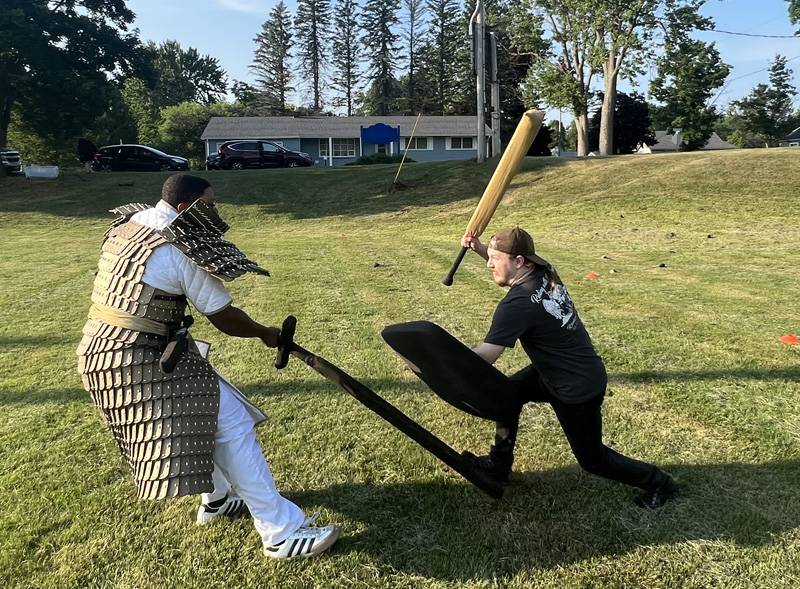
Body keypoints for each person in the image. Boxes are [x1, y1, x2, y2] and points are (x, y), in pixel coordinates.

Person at [76, 174, 340, 559]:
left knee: (198, 416)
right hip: (137, 355)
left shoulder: (130, 222)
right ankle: (281, 533)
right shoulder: (177, 246)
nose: (214, 210)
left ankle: (216, 499)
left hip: (103, 350)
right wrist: (265, 333)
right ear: (185, 207)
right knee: (231, 425)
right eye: (209, 204)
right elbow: (224, 317)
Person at [460, 226, 677, 509]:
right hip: (557, 371)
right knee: (507, 397)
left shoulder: (516, 305)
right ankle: (499, 465)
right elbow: (505, 264)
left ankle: (659, 482)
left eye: (494, 258)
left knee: (593, 460)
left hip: (575, 387)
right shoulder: (544, 269)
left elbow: (487, 356)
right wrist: (480, 248)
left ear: (518, 262)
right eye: (489, 257)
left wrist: (444, 355)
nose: (489, 263)